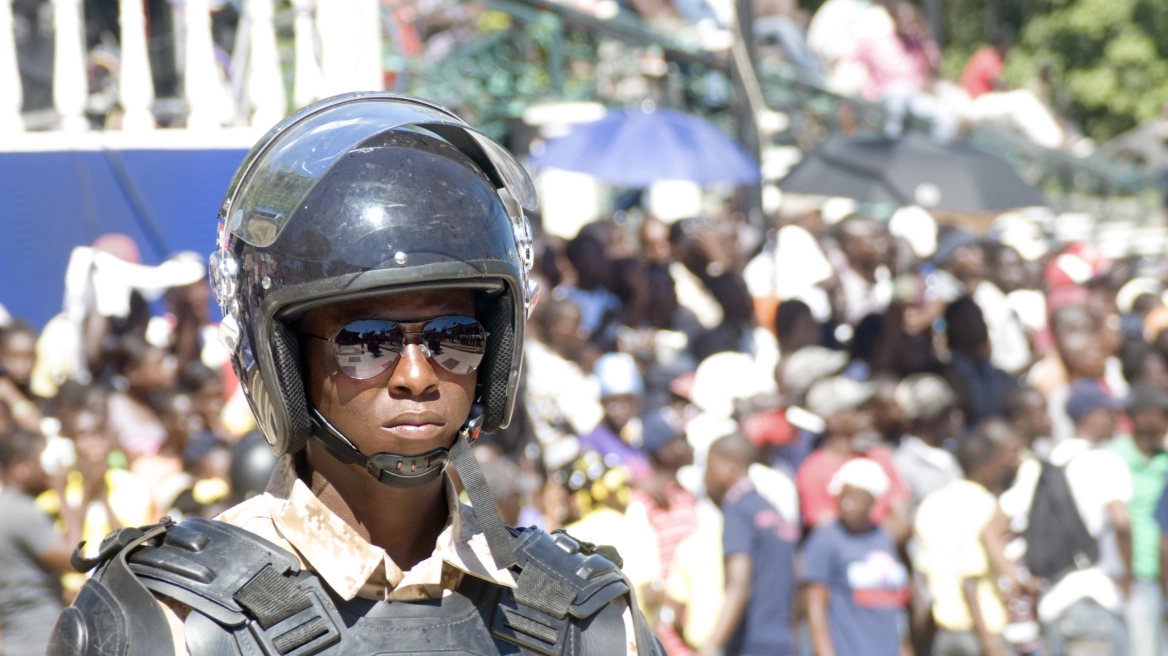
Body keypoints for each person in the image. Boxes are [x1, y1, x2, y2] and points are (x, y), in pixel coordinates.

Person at [50, 94, 662, 656]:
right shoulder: (174, 618)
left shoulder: (587, 620)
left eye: (454, 338)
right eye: (367, 343)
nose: (418, 375)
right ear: (285, 357)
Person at [915, 428, 1018, 656]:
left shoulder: (931, 504)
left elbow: (921, 578)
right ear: (986, 467)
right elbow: (969, 577)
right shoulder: (985, 506)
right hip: (980, 634)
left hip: (945, 635)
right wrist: (989, 643)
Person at [702, 433, 799, 656]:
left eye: (709, 468)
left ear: (730, 468)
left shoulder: (738, 511)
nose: (706, 478)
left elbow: (739, 583)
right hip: (783, 642)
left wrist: (711, 645)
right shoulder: (772, 511)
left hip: (751, 643)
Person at [803, 458, 909, 656]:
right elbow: (815, 608)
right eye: (844, 497)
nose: (849, 506)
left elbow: (893, 610)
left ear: (873, 502)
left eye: (858, 499)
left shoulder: (883, 538)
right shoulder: (826, 539)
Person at [796, 376, 912, 544]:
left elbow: (902, 522)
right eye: (856, 408)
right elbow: (830, 534)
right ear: (832, 419)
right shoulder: (812, 471)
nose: (867, 412)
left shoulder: (880, 457)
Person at [0, 429, 77, 656]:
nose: (50, 470)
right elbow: (75, 559)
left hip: (17, 641)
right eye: (43, 461)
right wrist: (64, 493)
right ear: (19, 467)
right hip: (39, 639)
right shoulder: (21, 512)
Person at [1107, 385, 1168, 656]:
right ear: (1142, 417)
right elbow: (1119, 523)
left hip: (1163, 574)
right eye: (1164, 413)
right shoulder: (1113, 456)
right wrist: (1128, 575)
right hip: (1135, 576)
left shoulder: (1164, 458)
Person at [893, 373, 963, 511]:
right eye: (946, 413)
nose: (956, 417)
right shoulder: (902, 463)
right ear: (928, 420)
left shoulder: (955, 450)